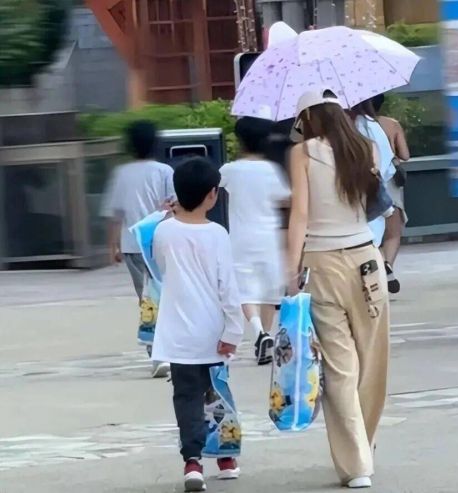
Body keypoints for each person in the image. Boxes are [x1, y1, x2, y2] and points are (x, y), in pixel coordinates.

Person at [287, 88, 390, 489]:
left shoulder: (302, 153)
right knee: (372, 360)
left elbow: (299, 215)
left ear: (308, 118)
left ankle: (356, 464)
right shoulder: (366, 148)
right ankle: (365, 443)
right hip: (367, 259)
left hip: (321, 263)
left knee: (339, 366)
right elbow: (375, 203)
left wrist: (291, 271)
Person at [151, 157, 244, 491]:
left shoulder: (163, 231)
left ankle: (192, 461)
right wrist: (234, 330)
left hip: (178, 334)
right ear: (211, 195)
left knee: (186, 397)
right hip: (212, 331)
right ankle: (225, 457)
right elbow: (227, 288)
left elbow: (158, 265)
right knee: (217, 393)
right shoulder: (217, 234)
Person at [102, 120, 175, 378]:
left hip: (132, 245)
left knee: (146, 299)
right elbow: (174, 207)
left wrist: (113, 244)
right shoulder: (164, 171)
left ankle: (156, 353)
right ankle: (168, 351)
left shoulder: (122, 174)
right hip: (160, 243)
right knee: (166, 296)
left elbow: (115, 213)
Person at [220, 117, 290, 366]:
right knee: (270, 291)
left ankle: (259, 332)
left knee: (245, 290)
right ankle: (267, 339)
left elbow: (210, 184)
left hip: (240, 239)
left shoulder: (230, 170)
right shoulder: (271, 170)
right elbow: (286, 198)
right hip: (268, 238)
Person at [352, 99, 400, 293]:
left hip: (354, 196)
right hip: (376, 192)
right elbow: (388, 166)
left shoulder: (349, 130)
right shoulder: (375, 127)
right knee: (374, 241)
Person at [372, 93, 410, 293]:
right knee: (393, 232)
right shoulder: (391, 124)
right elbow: (405, 155)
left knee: (371, 229)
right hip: (389, 181)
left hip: (366, 181)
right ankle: (388, 265)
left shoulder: (352, 126)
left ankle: (377, 267)